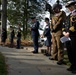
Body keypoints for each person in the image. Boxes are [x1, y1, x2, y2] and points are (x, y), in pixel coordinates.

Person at [63, 1, 76, 74]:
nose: (69, 8)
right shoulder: (68, 16)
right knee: (69, 51)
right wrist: (64, 32)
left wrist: (69, 32)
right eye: (68, 7)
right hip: (67, 36)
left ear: (74, 5)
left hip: (74, 36)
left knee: (74, 51)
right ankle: (72, 65)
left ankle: (75, 67)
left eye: (71, 6)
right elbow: (64, 25)